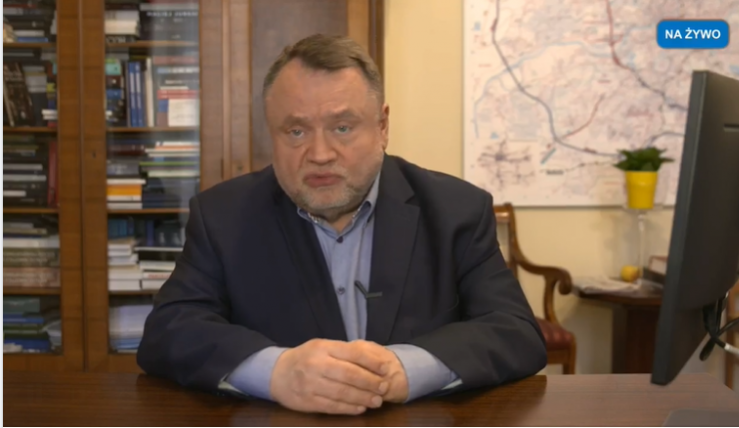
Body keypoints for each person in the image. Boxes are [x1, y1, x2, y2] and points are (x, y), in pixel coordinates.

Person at [136, 34, 546, 415]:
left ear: (382, 127)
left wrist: (406, 368)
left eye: (343, 128)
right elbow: (169, 332)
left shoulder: (456, 210)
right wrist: (276, 371)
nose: (320, 153)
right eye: (296, 131)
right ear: (271, 134)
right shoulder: (223, 215)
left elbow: (514, 331)